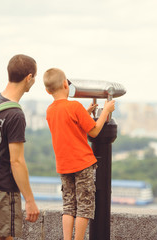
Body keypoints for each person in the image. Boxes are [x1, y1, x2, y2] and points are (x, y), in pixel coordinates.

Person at [43, 68, 115, 240]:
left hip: (64, 165)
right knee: (84, 206)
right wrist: (106, 110)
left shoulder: (50, 110)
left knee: (68, 206)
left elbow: (69, 126)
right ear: (65, 85)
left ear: (47, 90)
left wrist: (86, 114)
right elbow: (95, 131)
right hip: (82, 164)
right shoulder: (74, 106)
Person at [0, 54, 40, 240]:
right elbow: (17, 161)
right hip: (3, 190)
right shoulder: (15, 114)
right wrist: (30, 200)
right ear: (29, 78)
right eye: (34, 78)